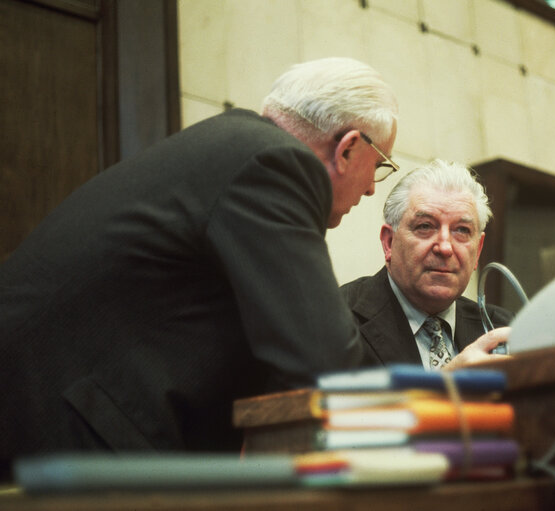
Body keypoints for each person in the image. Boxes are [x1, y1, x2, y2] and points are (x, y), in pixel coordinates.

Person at [0, 57, 417, 465]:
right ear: (347, 149)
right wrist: (440, 393)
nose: (368, 191)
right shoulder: (274, 165)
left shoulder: (231, 145)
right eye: (379, 166)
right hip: (56, 431)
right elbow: (326, 363)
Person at [341, 159, 512, 371]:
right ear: (389, 242)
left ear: (477, 251)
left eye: (461, 230)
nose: (445, 247)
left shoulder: (502, 328)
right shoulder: (337, 318)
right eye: (425, 226)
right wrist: (447, 385)